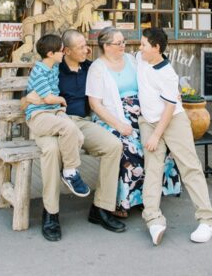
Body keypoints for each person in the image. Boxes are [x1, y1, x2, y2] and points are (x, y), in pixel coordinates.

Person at [23, 29, 127, 240]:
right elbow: (27, 99)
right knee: (52, 151)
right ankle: (51, 213)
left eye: (86, 45)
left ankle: (101, 208)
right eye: (80, 47)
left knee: (113, 146)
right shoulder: (53, 68)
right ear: (66, 51)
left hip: (82, 123)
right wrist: (30, 102)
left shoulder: (90, 68)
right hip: (54, 121)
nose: (86, 50)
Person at [86, 27, 182, 217]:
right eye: (118, 43)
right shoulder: (97, 68)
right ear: (106, 46)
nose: (124, 45)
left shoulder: (132, 60)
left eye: (124, 41)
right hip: (112, 117)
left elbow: (155, 74)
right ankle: (125, 202)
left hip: (142, 114)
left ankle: (147, 196)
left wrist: (172, 92)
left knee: (158, 144)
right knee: (129, 148)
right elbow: (95, 104)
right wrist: (118, 125)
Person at [136, 27, 212, 245]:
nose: (139, 47)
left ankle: (207, 220)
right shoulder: (140, 58)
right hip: (148, 121)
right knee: (152, 169)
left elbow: (169, 109)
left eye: (144, 44)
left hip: (171, 122)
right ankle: (153, 218)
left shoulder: (167, 74)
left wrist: (156, 135)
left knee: (189, 167)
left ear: (156, 48)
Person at [24, 33, 91, 240]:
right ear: (53, 53)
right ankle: (52, 210)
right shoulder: (43, 69)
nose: (65, 53)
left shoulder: (56, 66)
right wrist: (60, 100)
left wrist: (58, 107)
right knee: (54, 148)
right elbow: (37, 98)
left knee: (74, 136)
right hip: (41, 118)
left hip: (56, 117)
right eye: (63, 50)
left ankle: (53, 206)